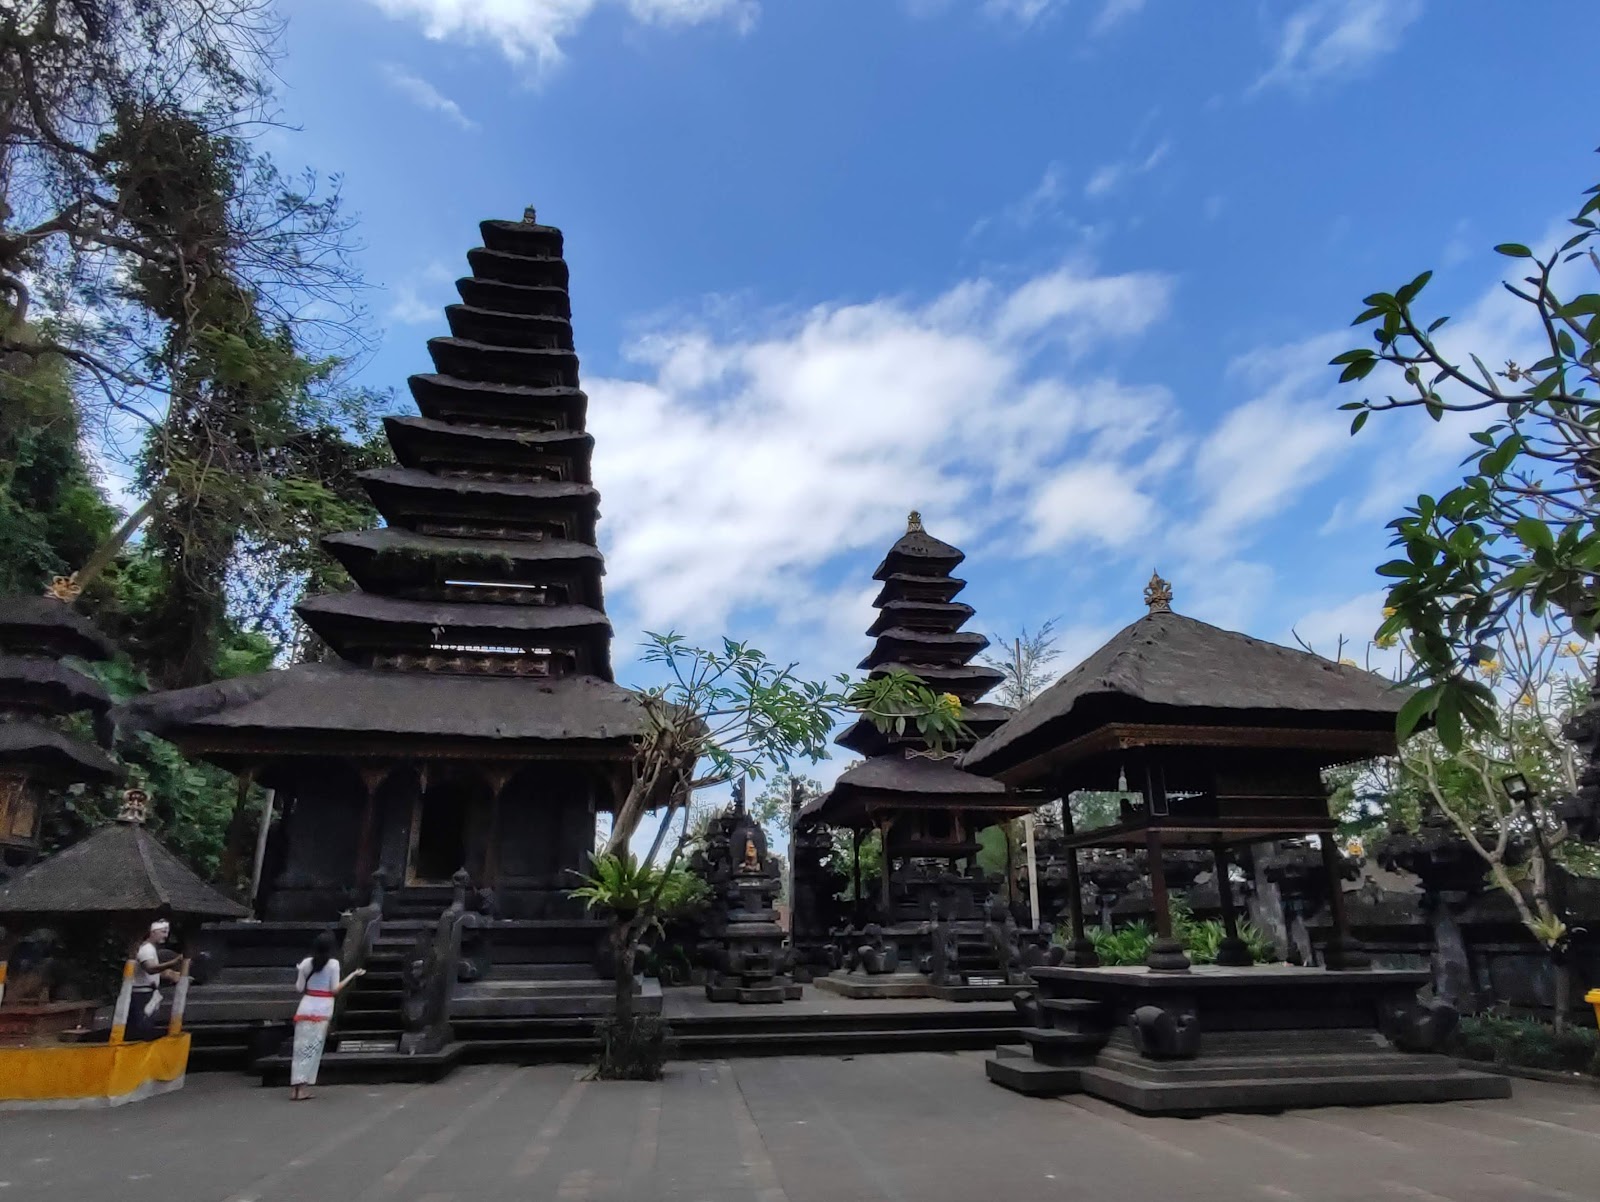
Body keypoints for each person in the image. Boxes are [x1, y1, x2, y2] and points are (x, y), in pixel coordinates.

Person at [289, 931, 364, 1100]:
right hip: (323, 1008)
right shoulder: (333, 964)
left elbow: (299, 988)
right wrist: (352, 975)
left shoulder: (306, 963)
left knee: (299, 1049)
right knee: (312, 1049)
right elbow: (334, 989)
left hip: (305, 1007)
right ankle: (303, 1088)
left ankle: (295, 1087)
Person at [129, 920, 181, 1041]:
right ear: (153, 932)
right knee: (143, 1027)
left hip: (146, 993)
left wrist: (169, 974)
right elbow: (150, 968)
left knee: (146, 1025)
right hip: (142, 995)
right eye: (163, 932)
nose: (166, 936)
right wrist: (174, 962)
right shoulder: (147, 949)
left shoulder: (150, 949)